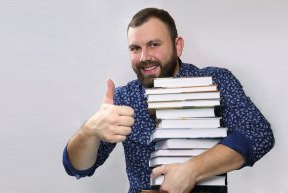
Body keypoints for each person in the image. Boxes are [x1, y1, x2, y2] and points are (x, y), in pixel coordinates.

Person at [62, 7, 275, 193]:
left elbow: (258, 134)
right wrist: (89, 130)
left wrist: (192, 171)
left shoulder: (215, 81)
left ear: (178, 46)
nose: (144, 56)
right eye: (135, 48)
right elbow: (78, 167)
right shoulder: (123, 98)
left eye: (154, 44)